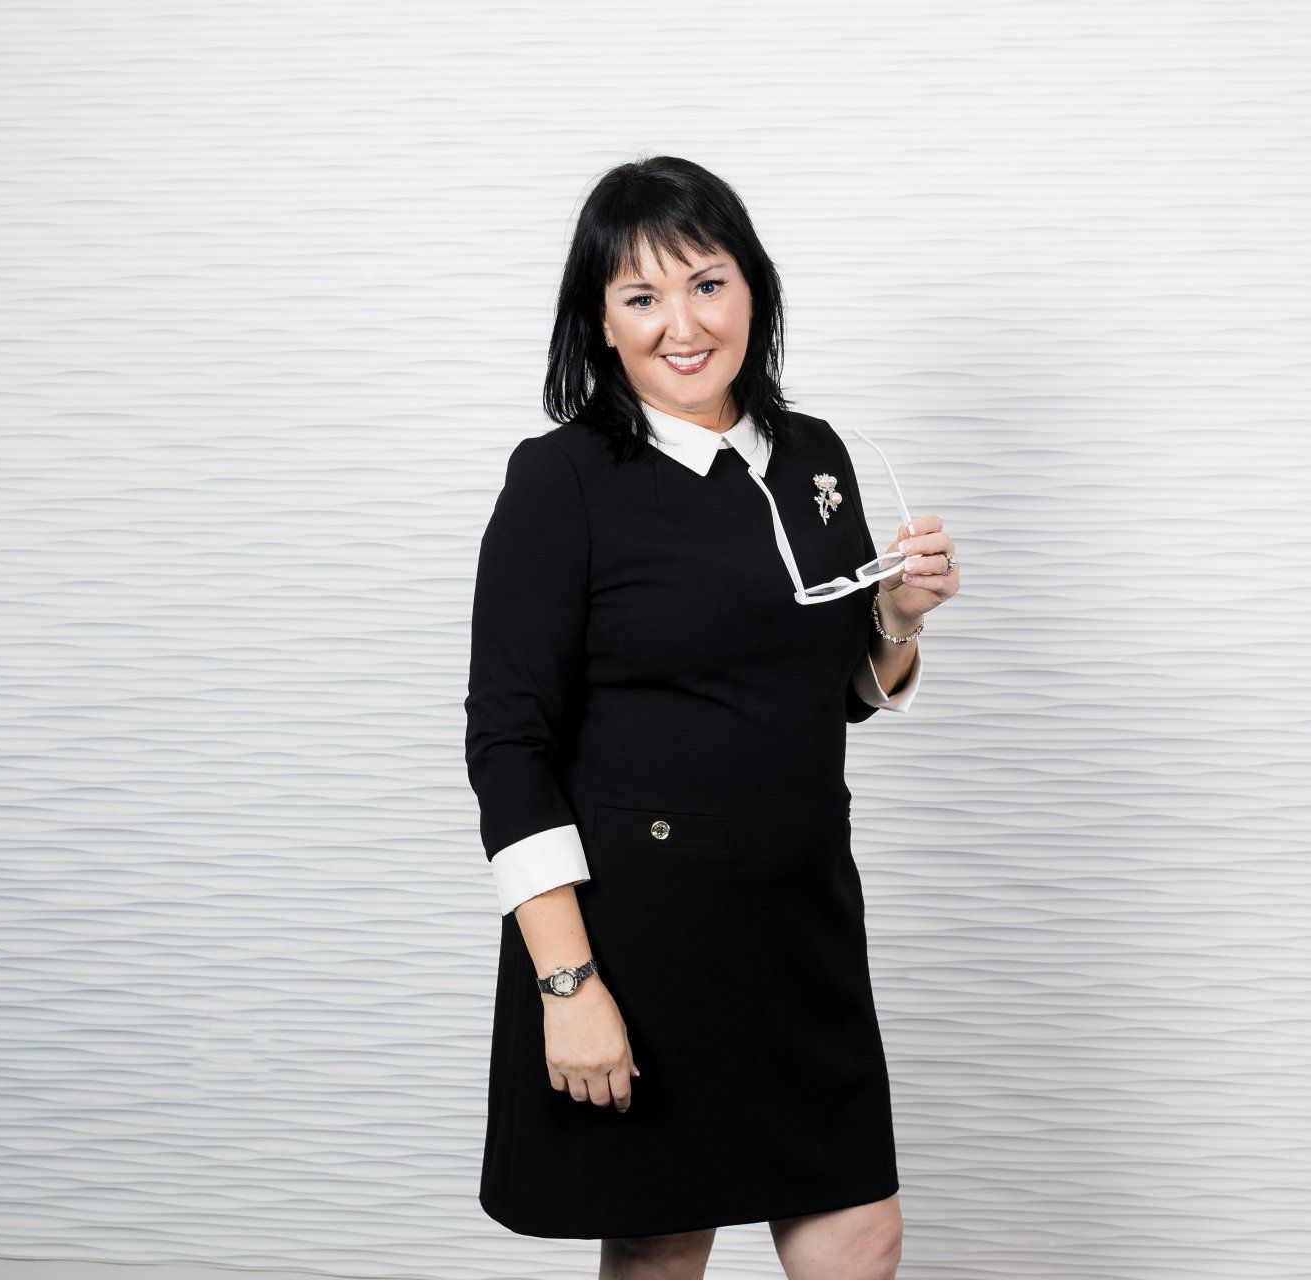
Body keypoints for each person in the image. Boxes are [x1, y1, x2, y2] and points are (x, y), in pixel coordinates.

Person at [464, 155, 961, 1279]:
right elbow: (508, 745)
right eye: (640, 297)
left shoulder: (816, 458)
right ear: (598, 323)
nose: (680, 324)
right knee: (660, 1238)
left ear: (754, 289)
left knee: (860, 1225)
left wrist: (897, 619)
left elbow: (824, 690)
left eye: (706, 283)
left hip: (800, 918)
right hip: (636, 932)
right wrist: (569, 985)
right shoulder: (562, 482)